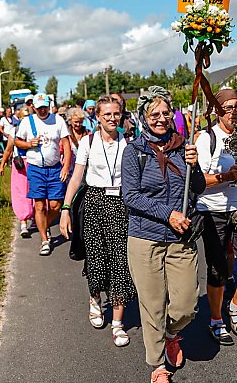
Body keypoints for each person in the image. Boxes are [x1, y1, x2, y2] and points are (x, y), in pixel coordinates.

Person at [121, 86, 205, 383]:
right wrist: (167, 214)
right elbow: (130, 196)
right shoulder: (134, 151)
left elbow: (198, 188)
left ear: (173, 114)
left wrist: (194, 167)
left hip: (181, 237)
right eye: (153, 113)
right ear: (144, 117)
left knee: (186, 305)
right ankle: (157, 365)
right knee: (152, 303)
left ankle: (172, 333)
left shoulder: (184, 147)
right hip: (146, 238)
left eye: (165, 112)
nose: (160, 118)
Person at [60, 96, 137, 348]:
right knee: (95, 257)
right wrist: (65, 208)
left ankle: (117, 323)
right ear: (99, 118)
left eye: (116, 114)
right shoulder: (87, 142)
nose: (112, 119)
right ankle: (95, 299)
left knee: (119, 261)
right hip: (94, 201)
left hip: (120, 204)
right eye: (107, 115)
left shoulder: (129, 143)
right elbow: (76, 178)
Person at [194, 88, 237, 345]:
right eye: (228, 107)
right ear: (217, 110)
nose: (233, 111)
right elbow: (198, 182)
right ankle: (215, 319)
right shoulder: (206, 138)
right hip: (214, 212)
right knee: (217, 270)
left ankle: (234, 307)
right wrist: (224, 178)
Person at [14, 93, 72, 256]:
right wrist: (28, 144)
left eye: (45, 106)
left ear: (49, 105)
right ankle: (44, 240)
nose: (43, 110)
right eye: (39, 108)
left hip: (54, 168)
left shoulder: (57, 120)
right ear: (33, 107)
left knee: (55, 205)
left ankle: (44, 225)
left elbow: (66, 144)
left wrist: (65, 166)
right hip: (36, 168)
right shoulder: (27, 122)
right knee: (39, 205)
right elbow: (16, 142)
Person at [0, 108, 35, 238]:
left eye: (28, 116)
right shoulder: (14, 131)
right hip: (19, 165)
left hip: (33, 163)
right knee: (20, 193)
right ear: (19, 118)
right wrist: (2, 165)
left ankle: (36, 218)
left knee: (34, 191)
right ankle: (23, 223)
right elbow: (8, 150)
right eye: (23, 117)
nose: (25, 119)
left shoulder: (35, 129)